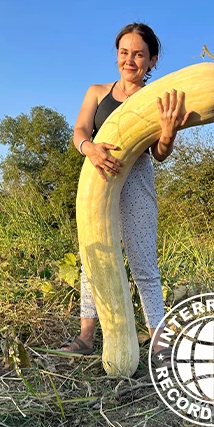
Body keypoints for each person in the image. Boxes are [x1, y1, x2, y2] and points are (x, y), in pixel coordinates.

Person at [61, 23, 191, 368]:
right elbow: (79, 131)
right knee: (95, 261)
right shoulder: (97, 91)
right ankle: (87, 336)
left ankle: (159, 343)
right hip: (95, 177)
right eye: (124, 52)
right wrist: (89, 148)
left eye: (138, 54)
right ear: (116, 54)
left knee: (143, 263)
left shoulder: (157, 98)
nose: (129, 60)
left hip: (136, 180)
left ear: (152, 61)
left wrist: (168, 133)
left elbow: (160, 154)